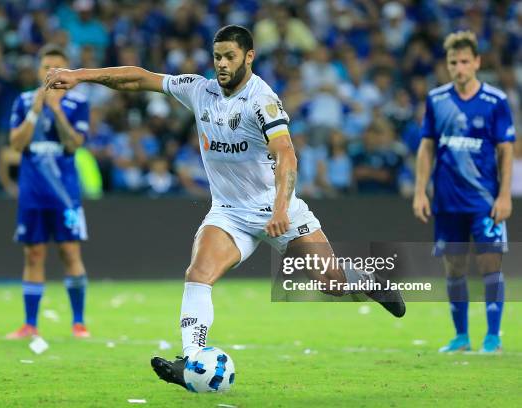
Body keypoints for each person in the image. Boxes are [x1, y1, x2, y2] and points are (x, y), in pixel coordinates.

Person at [44, 25, 405, 390]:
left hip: (279, 212)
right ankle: (190, 360)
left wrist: (281, 208)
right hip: (230, 213)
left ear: (249, 57)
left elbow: (287, 156)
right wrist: (79, 76)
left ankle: (372, 282)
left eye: (229, 56)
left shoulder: (262, 100)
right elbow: (139, 80)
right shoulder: (199, 91)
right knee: (198, 274)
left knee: (332, 283)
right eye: (217, 56)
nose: (221, 63)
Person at [413, 31, 515, 353]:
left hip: (484, 201)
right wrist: (420, 191)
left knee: (490, 265)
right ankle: (461, 337)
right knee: (454, 268)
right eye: (453, 62)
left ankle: (493, 337)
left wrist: (505, 195)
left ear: (477, 63)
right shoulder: (437, 100)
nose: (459, 68)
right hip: (447, 202)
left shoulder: (495, 101)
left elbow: (506, 150)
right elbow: (427, 146)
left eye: (465, 62)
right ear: (447, 64)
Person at [6, 44, 91, 339]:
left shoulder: (77, 103)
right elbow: (16, 144)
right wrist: (35, 111)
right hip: (32, 190)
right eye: (46, 67)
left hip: (66, 192)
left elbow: (73, 144)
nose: (51, 73)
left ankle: (78, 322)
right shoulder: (24, 100)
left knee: (70, 251)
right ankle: (30, 324)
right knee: (33, 254)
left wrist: (56, 110)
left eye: (58, 68)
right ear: (38, 70)